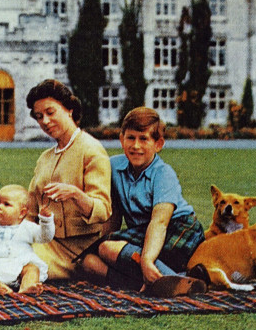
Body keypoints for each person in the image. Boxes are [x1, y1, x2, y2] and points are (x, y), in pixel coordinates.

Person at [82, 107, 206, 295]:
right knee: (89, 262)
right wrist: (101, 243)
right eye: (131, 138)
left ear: (158, 144)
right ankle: (157, 282)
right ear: (121, 139)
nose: (136, 146)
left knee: (108, 248)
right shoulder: (113, 167)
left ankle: (180, 281)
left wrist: (147, 259)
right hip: (142, 234)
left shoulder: (164, 174)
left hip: (177, 229)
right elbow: (113, 215)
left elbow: (160, 222)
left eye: (144, 139)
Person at [25, 79, 112, 280]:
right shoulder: (45, 157)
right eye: (39, 116)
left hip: (76, 251)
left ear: (69, 110)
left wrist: (75, 194)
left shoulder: (91, 149)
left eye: (50, 112)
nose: (45, 121)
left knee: (14, 262)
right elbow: (31, 209)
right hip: (42, 240)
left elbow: (103, 210)